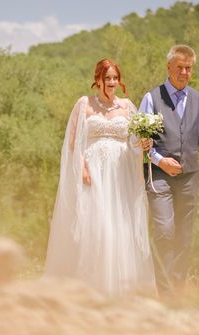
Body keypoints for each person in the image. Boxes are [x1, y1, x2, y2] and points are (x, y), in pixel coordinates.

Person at [45, 59, 155, 296]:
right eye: (108, 78)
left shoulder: (127, 107)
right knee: (96, 227)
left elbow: (136, 142)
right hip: (94, 173)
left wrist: (146, 142)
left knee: (119, 228)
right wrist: (82, 168)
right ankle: (91, 288)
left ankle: (120, 289)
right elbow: (73, 141)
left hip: (120, 173)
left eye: (115, 78)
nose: (112, 82)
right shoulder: (84, 104)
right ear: (98, 79)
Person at [139, 44, 199, 292]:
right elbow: (142, 142)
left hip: (189, 178)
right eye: (180, 68)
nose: (184, 73)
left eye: (188, 68)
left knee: (184, 237)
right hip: (159, 177)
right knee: (165, 231)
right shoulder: (151, 98)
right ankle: (164, 292)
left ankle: (177, 291)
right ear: (168, 67)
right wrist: (160, 160)